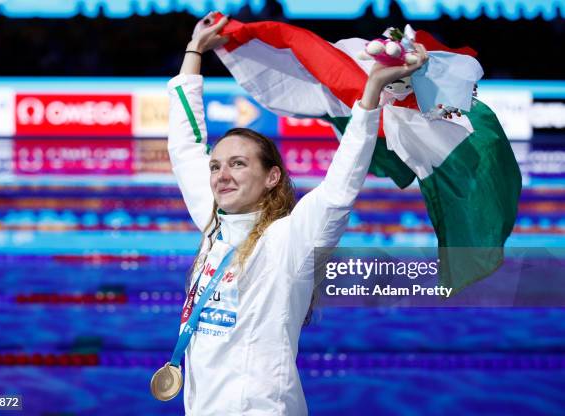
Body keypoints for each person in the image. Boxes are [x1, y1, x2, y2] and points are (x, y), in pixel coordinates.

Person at [165, 13, 428, 415]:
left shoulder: (288, 240)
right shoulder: (214, 224)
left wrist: (371, 90)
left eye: (238, 164)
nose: (221, 175)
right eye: (216, 166)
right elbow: (185, 146)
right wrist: (195, 50)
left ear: (272, 177)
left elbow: (339, 189)